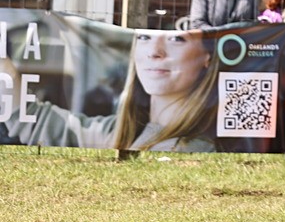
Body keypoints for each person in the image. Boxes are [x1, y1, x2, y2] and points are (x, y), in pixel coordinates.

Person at [2, 30, 219, 152]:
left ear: (207, 57)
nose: (154, 52)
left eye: (177, 39)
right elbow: (36, 122)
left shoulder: (200, 150)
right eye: (144, 37)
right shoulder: (119, 132)